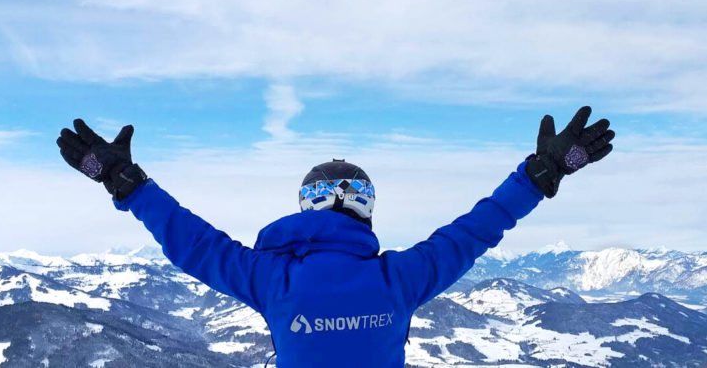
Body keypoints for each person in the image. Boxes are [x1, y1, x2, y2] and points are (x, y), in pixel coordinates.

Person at [56, 106, 614, 368]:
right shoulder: (398, 278)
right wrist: (541, 176)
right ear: (366, 209)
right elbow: (479, 228)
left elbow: (192, 243)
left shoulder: (272, 278)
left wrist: (125, 183)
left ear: (305, 205)